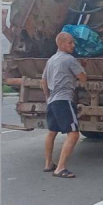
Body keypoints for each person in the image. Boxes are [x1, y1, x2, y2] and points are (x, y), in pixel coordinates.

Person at [40, 33, 87, 178]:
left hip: (53, 100)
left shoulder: (51, 60)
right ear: (60, 44)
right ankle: (60, 168)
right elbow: (83, 77)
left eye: (73, 43)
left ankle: (48, 164)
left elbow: (43, 82)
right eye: (70, 43)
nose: (73, 45)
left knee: (52, 131)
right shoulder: (69, 59)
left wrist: (48, 98)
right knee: (73, 134)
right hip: (64, 100)